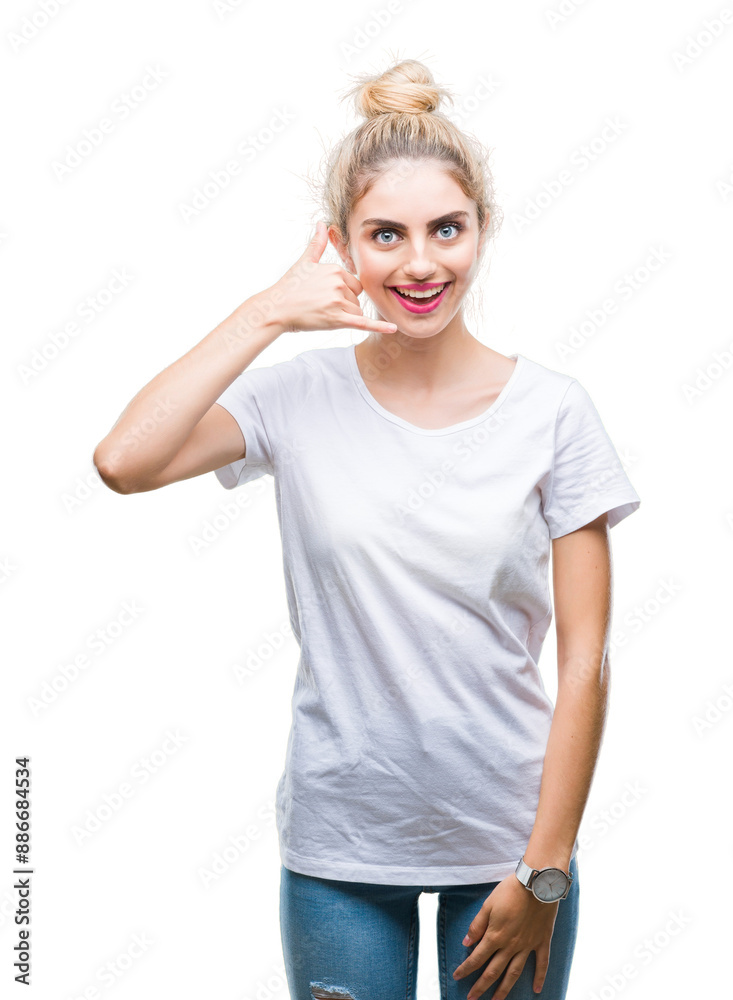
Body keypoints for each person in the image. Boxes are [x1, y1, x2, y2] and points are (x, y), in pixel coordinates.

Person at [93, 57, 641, 1000]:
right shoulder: (295, 399)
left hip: (510, 847)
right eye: (385, 234)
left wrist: (543, 868)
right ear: (341, 244)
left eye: (446, 229)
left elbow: (584, 657)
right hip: (341, 847)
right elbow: (123, 461)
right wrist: (267, 311)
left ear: (482, 231)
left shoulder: (554, 412)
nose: (420, 263)